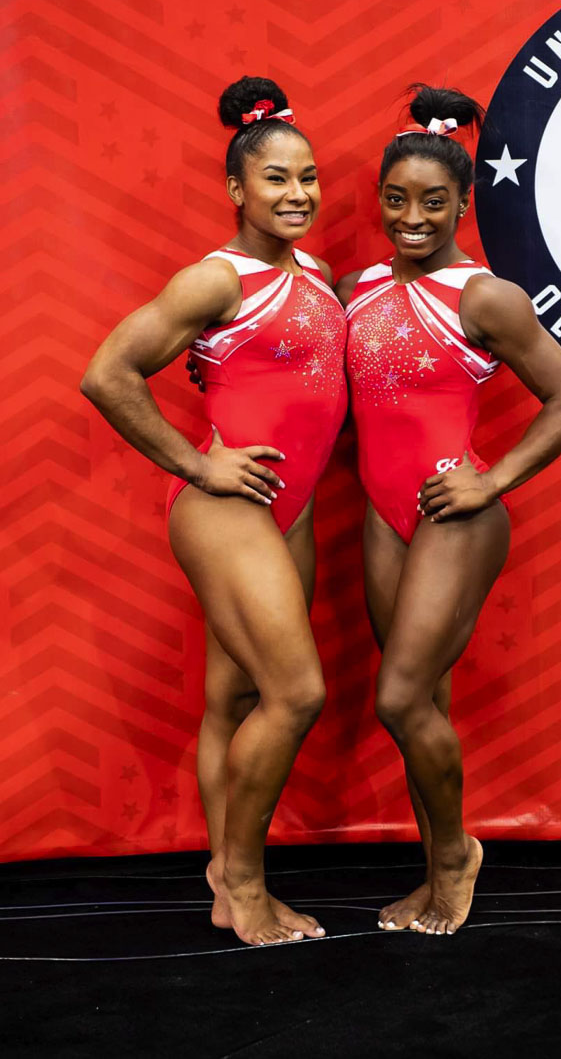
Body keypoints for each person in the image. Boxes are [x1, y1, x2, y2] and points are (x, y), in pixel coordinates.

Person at [80, 77, 348, 946]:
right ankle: (244, 882)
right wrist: (199, 462)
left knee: (232, 696)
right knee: (297, 690)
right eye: (276, 178)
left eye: (307, 177)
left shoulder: (317, 272)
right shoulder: (212, 280)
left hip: (294, 508)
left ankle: (220, 873)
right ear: (237, 188)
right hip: (227, 504)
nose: (297, 193)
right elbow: (107, 373)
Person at [336, 84, 561, 936]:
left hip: (454, 512)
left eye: (434, 201)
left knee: (399, 699)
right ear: (379, 198)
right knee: (425, 707)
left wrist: (494, 478)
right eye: (397, 199)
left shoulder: (485, 297)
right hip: (383, 514)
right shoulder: (357, 286)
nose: (413, 217)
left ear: (463, 201)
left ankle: (456, 857)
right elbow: (292, 354)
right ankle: (432, 864)